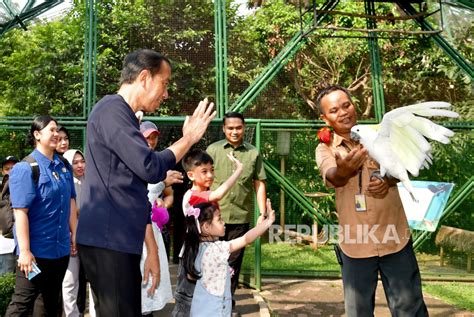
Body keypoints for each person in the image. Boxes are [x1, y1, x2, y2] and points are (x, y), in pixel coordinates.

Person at [76, 49, 216, 316]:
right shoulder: (111, 110)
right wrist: (188, 139)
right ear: (144, 77)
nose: (166, 94)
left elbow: (134, 190)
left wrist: (150, 249)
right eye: (164, 83)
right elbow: (149, 167)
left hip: (120, 240)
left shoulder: (124, 116)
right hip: (108, 240)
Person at [315, 85, 428, 316]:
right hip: (355, 244)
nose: (344, 112)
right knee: (358, 311)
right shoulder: (324, 149)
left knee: (410, 309)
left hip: (395, 237)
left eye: (346, 105)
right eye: (335, 110)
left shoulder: (381, 135)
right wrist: (344, 171)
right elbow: (333, 176)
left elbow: (402, 167)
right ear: (325, 118)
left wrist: (387, 180)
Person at [5, 115, 77, 316]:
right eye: (51, 130)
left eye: (57, 130)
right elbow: (20, 213)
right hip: (35, 254)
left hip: (60, 250)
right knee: (21, 304)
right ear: (37, 135)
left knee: (50, 304)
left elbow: (71, 200)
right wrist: (25, 252)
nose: (56, 134)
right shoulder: (25, 168)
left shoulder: (64, 166)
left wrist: (74, 233)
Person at [206, 112, 267, 312]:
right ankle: (210, 304)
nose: (234, 131)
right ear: (224, 129)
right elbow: (202, 181)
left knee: (233, 264)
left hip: (240, 216)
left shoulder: (253, 153)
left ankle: (227, 304)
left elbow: (259, 183)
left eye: (238, 128)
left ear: (244, 128)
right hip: (214, 218)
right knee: (211, 263)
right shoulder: (213, 150)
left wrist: (262, 212)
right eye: (230, 128)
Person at [173, 149, 243, 317]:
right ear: (190, 175)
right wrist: (238, 171)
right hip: (195, 254)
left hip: (204, 253)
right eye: (204, 171)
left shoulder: (200, 194)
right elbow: (219, 194)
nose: (210, 175)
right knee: (187, 301)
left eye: (212, 170)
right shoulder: (194, 196)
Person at [183, 199, 275, 316]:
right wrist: (268, 221)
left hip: (200, 309)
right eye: (219, 219)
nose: (223, 222)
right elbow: (246, 239)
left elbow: (191, 276)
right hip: (215, 311)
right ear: (206, 227)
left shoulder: (195, 249)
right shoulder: (217, 249)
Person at [139, 120, 180, 316]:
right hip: (134, 229)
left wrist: (165, 203)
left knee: (152, 271)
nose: (151, 141)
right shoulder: (132, 159)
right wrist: (161, 183)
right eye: (147, 137)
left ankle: (149, 310)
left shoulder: (160, 162)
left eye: (154, 137)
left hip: (153, 228)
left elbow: (169, 194)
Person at [62, 149, 87, 317]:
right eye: (75, 162)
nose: (80, 165)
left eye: (82, 161)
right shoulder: (65, 183)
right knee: (70, 282)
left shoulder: (92, 181)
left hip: (92, 239)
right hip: (71, 239)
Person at [0, 155, 19, 275]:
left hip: (23, 247)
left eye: (14, 168)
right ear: (2, 171)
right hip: (4, 247)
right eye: (7, 169)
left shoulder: (27, 187)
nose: (11, 172)